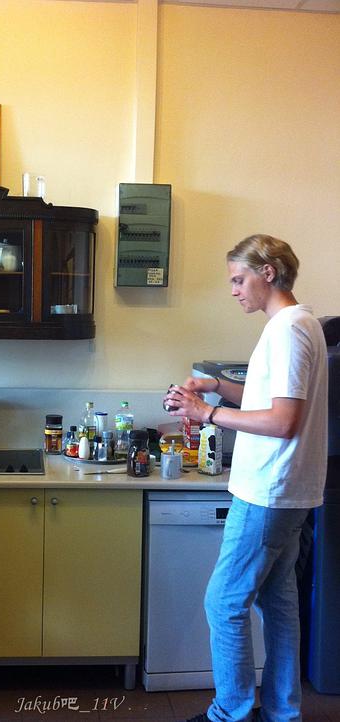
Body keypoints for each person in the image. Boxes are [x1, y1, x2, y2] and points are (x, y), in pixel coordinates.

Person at [163, 235, 327, 722]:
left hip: (268, 492)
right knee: (278, 604)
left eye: (239, 279)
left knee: (224, 604)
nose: (234, 290)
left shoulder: (288, 331)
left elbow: (283, 421)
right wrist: (215, 386)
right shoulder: (301, 324)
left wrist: (206, 412)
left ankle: (229, 714)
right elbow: (267, 399)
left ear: (268, 272)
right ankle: (282, 713)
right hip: (287, 491)